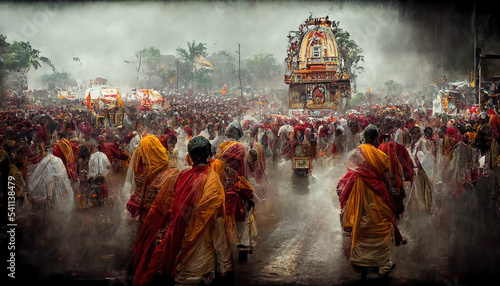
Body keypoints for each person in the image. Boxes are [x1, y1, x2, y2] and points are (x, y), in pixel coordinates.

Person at [133, 136, 233, 286]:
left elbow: (170, 209)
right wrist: (225, 262)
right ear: (208, 155)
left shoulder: (182, 176)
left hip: (179, 245)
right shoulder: (212, 180)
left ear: (189, 156)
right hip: (200, 253)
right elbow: (216, 221)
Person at [336, 125, 403, 278]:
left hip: (360, 196)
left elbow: (351, 173)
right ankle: (382, 262)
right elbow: (386, 177)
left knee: (363, 225)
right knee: (382, 223)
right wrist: (391, 194)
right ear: (375, 138)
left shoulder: (357, 152)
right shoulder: (379, 155)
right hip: (377, 195)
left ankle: (362, 261)